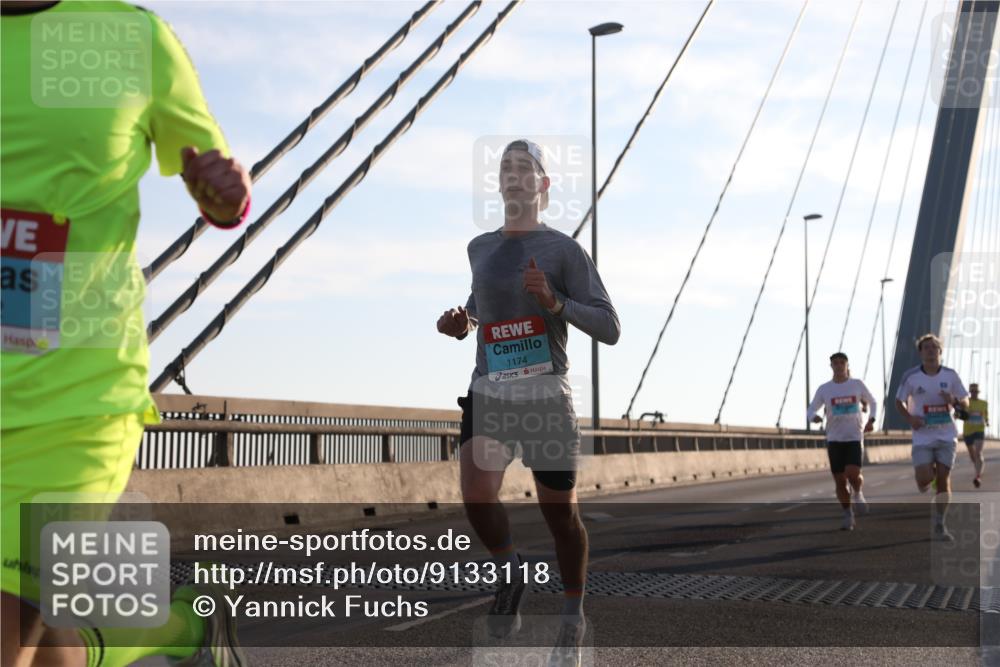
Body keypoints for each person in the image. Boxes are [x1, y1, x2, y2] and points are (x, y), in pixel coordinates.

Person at [2, 2, 251, 666]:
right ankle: (178, 630)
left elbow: (223, 189)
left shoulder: (131, 38)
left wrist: (223, 193)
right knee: (36, 637)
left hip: (70, 404)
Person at [437, 139, 620, 667]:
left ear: (543, 186)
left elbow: (610, 326)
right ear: (499, 185)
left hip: (543, 395)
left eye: (525, 169)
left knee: (561, 517)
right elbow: (479, 310)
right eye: (505, 169)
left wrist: (555, 303)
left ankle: (572, 615)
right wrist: (461, 323)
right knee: (475, 493)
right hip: (490, 388)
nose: (513, 175)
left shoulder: (565, 250)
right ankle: (510, 568)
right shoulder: (479, 248)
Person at [894, 334, 969, 541]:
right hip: (923, 437)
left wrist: (953, 400)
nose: (930, 350)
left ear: (940, 351)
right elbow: (898, 402)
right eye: (926, 347)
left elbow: (965, 402)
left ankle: (940, 523)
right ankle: (927, 476)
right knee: (925, 479)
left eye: (934, 347)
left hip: (947, 435)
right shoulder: (911, 377)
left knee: (944, 480)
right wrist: (911, 419)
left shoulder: (950, 375)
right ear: (920, 352)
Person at [806, 352, 876, 531]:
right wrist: (813, 417)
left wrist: (872, 420)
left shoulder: (856, 384)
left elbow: (873, 402)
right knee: (839, 480)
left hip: (854, 436)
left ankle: (858, 493)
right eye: (835, 363)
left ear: (847, 365)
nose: (838, 366)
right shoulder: (825, 389)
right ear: (831, 366)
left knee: (853, 473)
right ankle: (847, 514)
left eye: (841, 362)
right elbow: (811, 408)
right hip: (834, 439)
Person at [962, 382, 989, 488]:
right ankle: (978, 468)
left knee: (978, 453)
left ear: (978, 392)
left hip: (979, 430)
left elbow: (985, 414)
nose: (974, 393)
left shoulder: (984, 403)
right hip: (968, 432)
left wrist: (986, 421)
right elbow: (960, 413)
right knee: (973, 456)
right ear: (970, 392)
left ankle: (977, 476)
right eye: (972, 391)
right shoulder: (965, 402)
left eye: (975, 392)